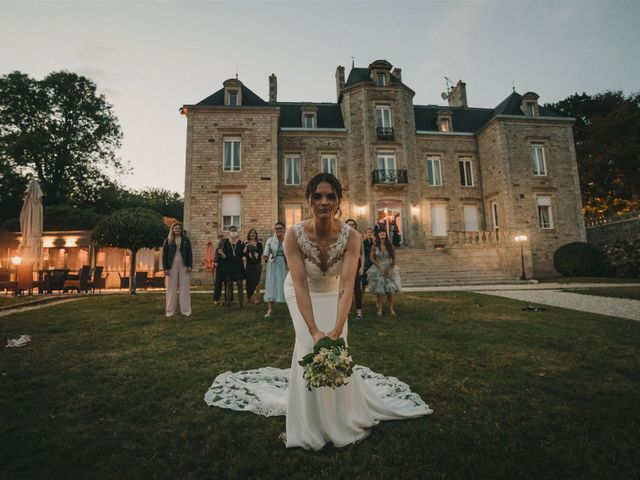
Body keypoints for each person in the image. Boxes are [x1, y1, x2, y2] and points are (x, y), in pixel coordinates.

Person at [367, 229, 401, 317]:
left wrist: (390, 269)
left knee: (390, 291)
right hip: (378, 269)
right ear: (378, 235)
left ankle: (391, 308)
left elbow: (394, 259)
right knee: (379, 291)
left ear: (386, 235)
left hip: (389, 268)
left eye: (384, 233)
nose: (382, 234)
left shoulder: (391, 246)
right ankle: (380, 308)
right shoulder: (374, 246)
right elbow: (372, 258)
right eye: (380, 233)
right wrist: (379, 265)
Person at [162, 221, 192, 317]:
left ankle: (186, 310)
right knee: (171, 288)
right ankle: (170, 311)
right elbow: (164, 256)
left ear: (181, 229)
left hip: (184, 265)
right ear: (172, 230)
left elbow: (190, 254)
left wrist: (190, 265)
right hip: (171, 266)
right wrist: (165, 268)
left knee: (185, 288)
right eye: (175, 228)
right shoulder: (168, 240)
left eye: (179, 228)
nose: (177, 230)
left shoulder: (186, 240)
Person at [262, 222, 287, 317]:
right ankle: (270, 309)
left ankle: (291, 308)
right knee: (271, 284)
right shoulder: (270, 240)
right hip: (273, 264)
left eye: (280, 228)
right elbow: (266, 253)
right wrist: (265, 256)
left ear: (284, 229)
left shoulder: (287, 240)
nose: (279, 230)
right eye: (277, 228)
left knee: (285, 284)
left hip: (284, 265)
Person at [345, 218, 364, 319]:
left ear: (355, 226)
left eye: (352, 224)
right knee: (345, 290)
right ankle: (345, 311)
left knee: (357, 289)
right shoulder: (343, 237)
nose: (351, 226)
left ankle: (359, 312)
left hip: (356, 265)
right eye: (349, 224)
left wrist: (362, 267)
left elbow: (362, 254)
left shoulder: (359, 237)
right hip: (345, 265)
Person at [222, 225, 245, 307]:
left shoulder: (240, 242)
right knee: (228, 285)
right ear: (229, 232)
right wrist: (221, 254)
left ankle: (241, 304)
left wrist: (246, 248)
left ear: (237, 232)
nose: (233, 232)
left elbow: (243, 254)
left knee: (240, 284)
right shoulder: (226, 242)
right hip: (229, 266)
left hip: (239, 266)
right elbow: (223, 254)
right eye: (232, 230)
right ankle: (228, 303)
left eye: (235, 230)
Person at [244, 229, 263, 303]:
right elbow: (244, 253)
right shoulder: (246, 243)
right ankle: (249, 297)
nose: (252, 234)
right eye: (251, 233)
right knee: (249, 281)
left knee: (257, 281)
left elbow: (260, 253)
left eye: (254, 233)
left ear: (256, 234)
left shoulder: (259, 244)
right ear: (249, 234)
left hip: (257, 265)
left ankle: (256, 298)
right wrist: (246, 246)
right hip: (249, 265)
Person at [362, 227, 375, 291]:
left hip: (373, 263)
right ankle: (362, 298)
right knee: (364, 282)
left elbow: (377, 251)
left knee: (375, 282)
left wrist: (374, 240)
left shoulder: (375, 243)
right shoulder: (363, 243)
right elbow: (362, 254)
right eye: (368, 232)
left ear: (373, 234)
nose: (369, 233)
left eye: (370, 232)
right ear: (366, 234)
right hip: (366, 263)